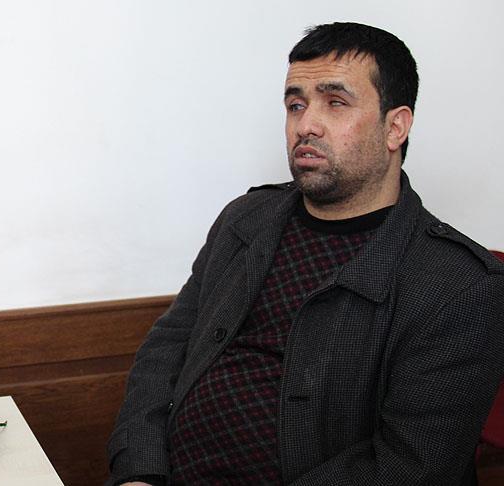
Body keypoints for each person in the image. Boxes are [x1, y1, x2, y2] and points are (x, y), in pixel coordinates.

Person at [107, 22, 504, 485]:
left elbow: (409, 465)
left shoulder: (462, 285)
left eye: (335, 102)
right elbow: (166, 350)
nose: (306, 125)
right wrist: (139, 471)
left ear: (395, 126)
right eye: (296, 105)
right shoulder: (245, 220)